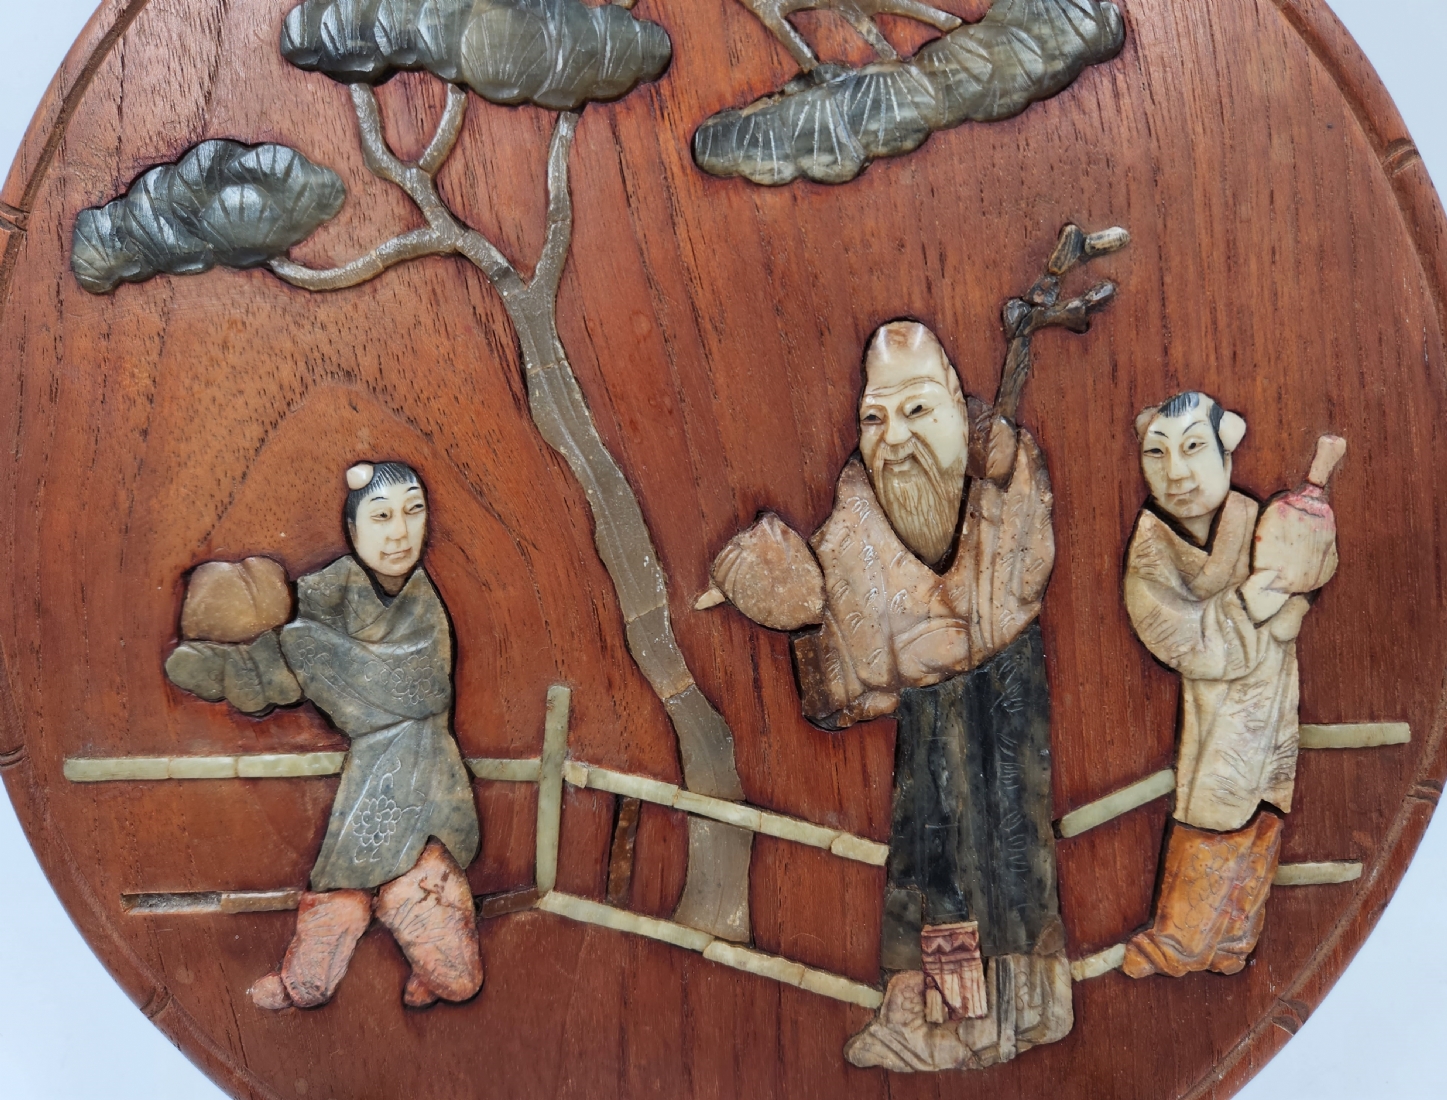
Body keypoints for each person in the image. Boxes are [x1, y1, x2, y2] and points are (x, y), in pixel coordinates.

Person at [704, 320, 1067, 1071]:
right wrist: (797, 608)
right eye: (874, 417)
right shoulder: (854, 526)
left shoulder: (1006, 480)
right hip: (928, 750)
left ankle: (1020, 1011)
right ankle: (945, 1017)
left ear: (957, 408)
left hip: (1004, 715)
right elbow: (838, 659)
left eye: (916, 409)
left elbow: (1016, 577)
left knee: (1008, 864)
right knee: (934, 877)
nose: (893, 439)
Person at [165, 461, 483, 1010]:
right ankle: (350, 974)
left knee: (379, 875)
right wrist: (231, 659)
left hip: (421, 758)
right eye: (381, 517)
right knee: (388, 870)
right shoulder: (328, 590)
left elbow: (419, 692)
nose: (399, 532)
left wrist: (302, 640)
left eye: (413, 512)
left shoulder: (422, 605)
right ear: (353, 530)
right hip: (377, 762)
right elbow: (281, 655)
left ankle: (386, 973)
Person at [1121, 393, 1337, 978]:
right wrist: (1250, 603)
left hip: (1273, 697)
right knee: (1211, 814)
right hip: (1216, 712)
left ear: (1227, 449)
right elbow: (1176, 636)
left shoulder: (1251, 515)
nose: (1177, 472)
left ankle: (1234, 939)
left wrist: (1298, 595)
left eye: (1193, 447)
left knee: (1265, 812)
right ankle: (1176, 943)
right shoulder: (1152, 548)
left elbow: (1309, 564)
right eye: (1157, 454)